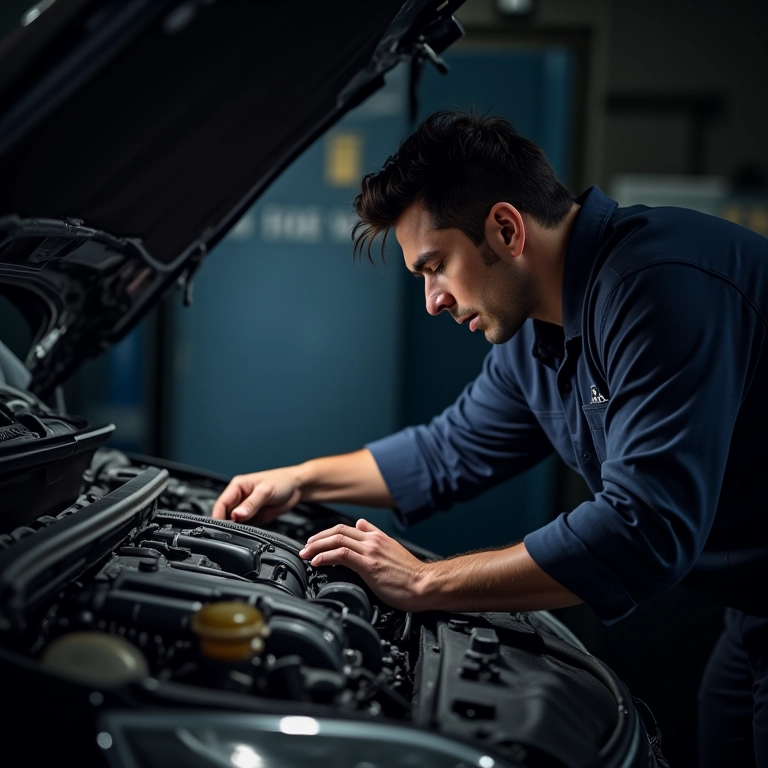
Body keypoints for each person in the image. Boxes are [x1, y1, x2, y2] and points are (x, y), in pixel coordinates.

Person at [212, 111, 768, 766]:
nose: (433, 300)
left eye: (435, 266)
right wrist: (300, 479)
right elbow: (450, 450)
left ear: (505, 229)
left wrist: (425, 583)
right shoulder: (536, 333)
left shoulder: (657, 287)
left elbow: (645, 528)